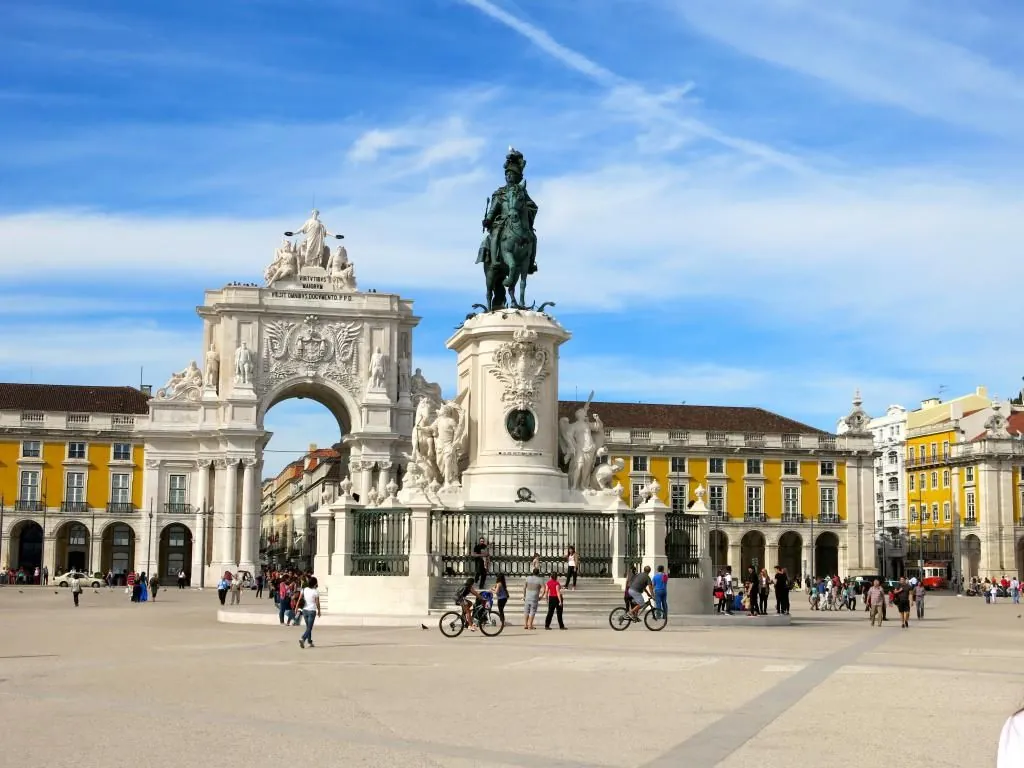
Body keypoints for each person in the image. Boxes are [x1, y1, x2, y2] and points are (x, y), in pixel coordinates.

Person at [298, 576, 321, 649]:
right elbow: (317, 602)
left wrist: (297, 608)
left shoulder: (304, 589)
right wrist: (319, 611)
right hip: (312, 611)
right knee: (309, 628)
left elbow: (300, 599)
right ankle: (303, 638)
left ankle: (310, 642)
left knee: (308, 627)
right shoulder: (315, 591)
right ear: (315, 584)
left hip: (305, 610)